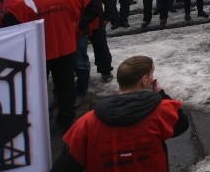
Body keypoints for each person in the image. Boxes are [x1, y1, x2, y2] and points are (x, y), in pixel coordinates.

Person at [53, 55, 189, 171]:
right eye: (152, 74)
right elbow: (182, 124)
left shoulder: (87, 123)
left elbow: (65, 166)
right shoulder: (160, 111)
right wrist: (161, 93)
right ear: (145, 80)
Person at [3, 0, 80, 130]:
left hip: (39, 52)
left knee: (37, 89)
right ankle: (66, 119)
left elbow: (9, 23)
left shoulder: (25, 2)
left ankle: (41, 123)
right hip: (67, 47)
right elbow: (76, 15)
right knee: (67, 85)